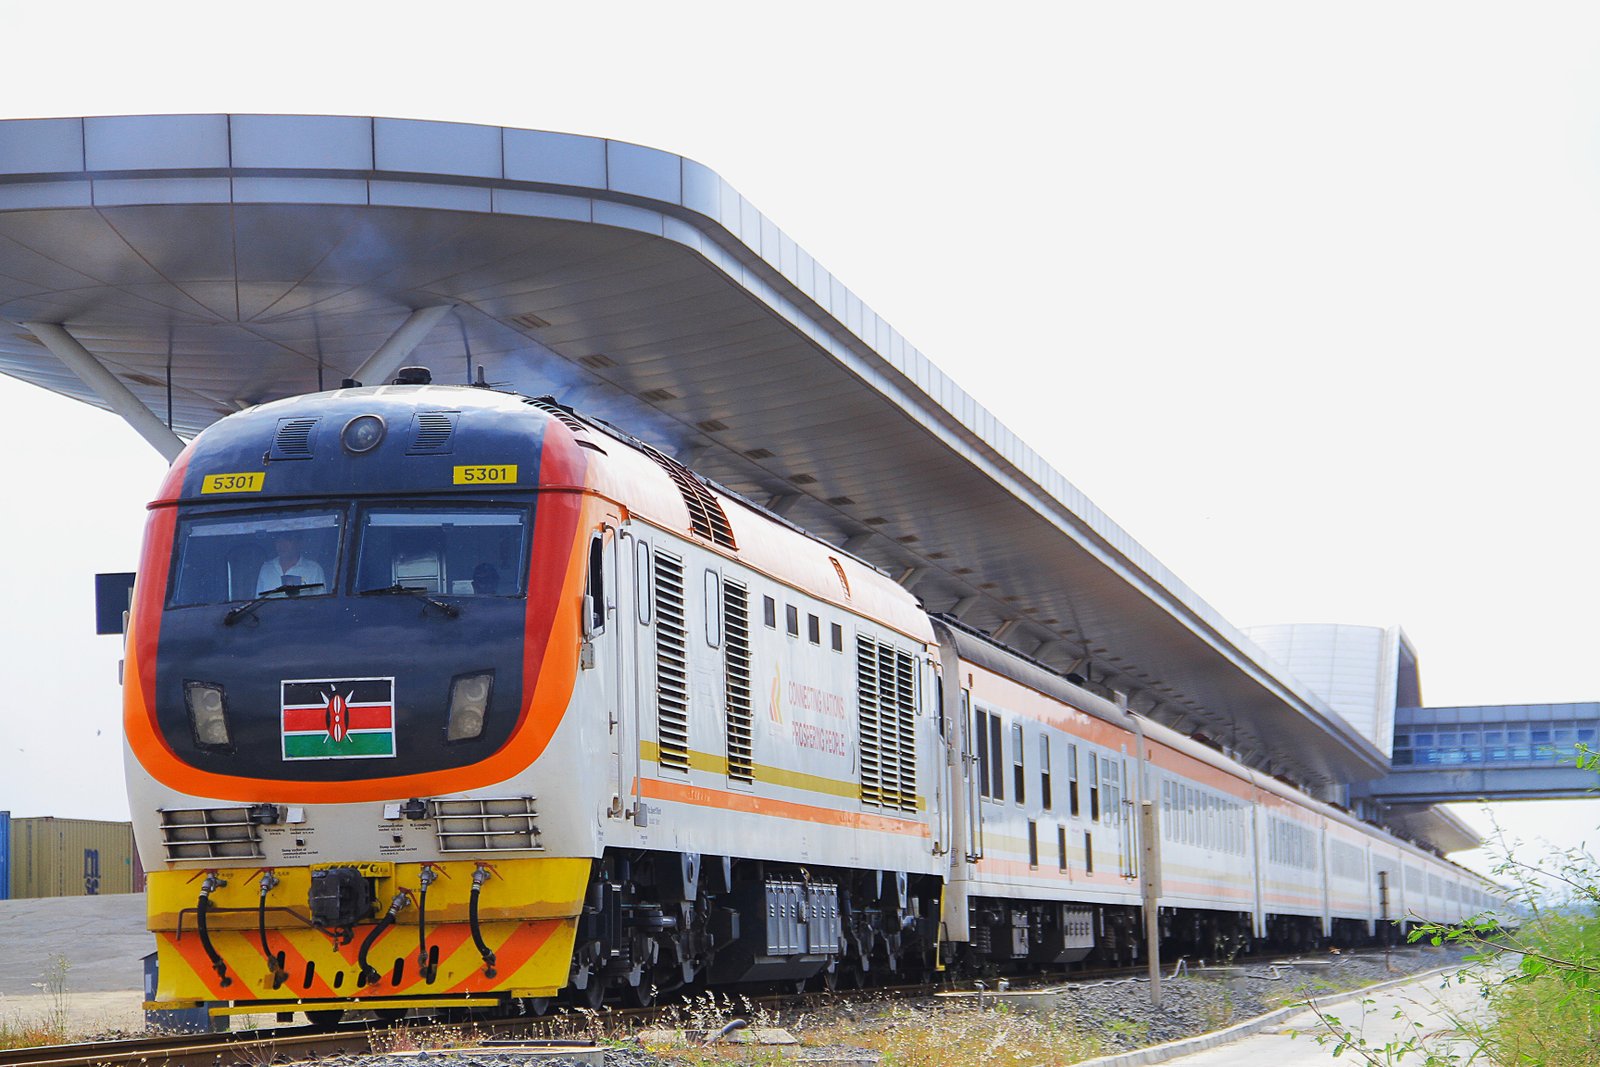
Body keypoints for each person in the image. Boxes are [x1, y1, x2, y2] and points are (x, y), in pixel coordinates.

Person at [257, 531, 326, 596]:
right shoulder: (266, 568)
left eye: (288, 540)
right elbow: (257, 602)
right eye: (278, 540)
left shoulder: (314, 570)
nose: (282, 545)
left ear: (299, 543)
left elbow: (321, 602)